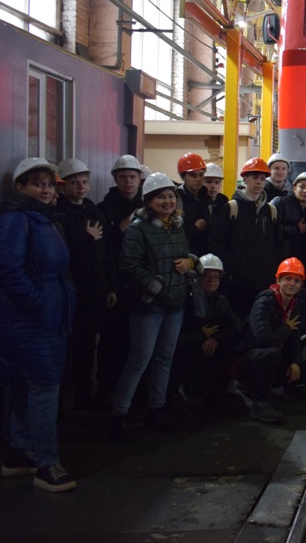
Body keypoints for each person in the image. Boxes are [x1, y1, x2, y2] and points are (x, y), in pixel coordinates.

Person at [0, 157, 78, 492]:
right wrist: (39, 305)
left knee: (29, 387)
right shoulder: (14, 220)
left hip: (47, 317)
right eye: (37, 183)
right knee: (45, 389)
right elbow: (9, 271)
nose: (45, 190)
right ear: (20, 187)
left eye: (49, 184)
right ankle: (46, 464)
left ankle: (18, 453)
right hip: (28, 321)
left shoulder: (42, 220)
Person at [110, 172, 203, 442]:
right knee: (139, 360)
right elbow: (129, 266)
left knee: (164, 359)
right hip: (148, 308)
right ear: (149, 200)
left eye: (171, 196)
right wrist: (156, 287)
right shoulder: (139, 227)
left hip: (174, 305)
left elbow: (184, 256)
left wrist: (190, 263)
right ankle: (118, 415)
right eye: (161, 196)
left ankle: (156, 410)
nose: (167, 200)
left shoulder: (176, 224)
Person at [55, 157, 112, 413]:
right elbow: (68, 254)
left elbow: (106, 253)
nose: (80, 186)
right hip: (70, 291)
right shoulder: (58, 215)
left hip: (94, 291)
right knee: (70, 349)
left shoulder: (95, 212)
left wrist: (110, 287)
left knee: (89, 346)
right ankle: (68, 402)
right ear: (63, 185)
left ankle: (84, 398)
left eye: (84, 182)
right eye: (74, 182)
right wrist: (87, 240)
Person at [234, 258, 306, 424]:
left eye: (297, 280)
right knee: (271, 353)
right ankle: (259, 402)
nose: (292, 284)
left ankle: (285, 387)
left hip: (269, 353)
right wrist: (287, 328)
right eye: (287, 279)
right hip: (246, 358)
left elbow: (295, 340)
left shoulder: (293, 305)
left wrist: (296, 363)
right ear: (278, 280)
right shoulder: (264, 302)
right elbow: (263, 339)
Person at [95, 154, 145, 407]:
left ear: (140, 179)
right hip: (117, 285)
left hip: (142, 286)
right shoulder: (104, 209)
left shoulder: (150, 205)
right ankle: (106, 391)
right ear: (115, 179)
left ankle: (134, 395)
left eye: (133, 176)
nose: (128, 181)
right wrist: (110, 286)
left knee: (138, 344)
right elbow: (104, 253)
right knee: (112, 342)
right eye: (123, 176)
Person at [208, 157, 284, 320]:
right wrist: (234, 269)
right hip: (237, 286)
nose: (259, 182)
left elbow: (279, 245)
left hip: (263, 285)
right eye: (254, 178)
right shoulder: (231, 208)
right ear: (245, 179)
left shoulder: (271, 211)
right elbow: (216, 243)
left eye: (262, 179)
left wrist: (271, 271)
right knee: (236, 327)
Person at [172, 253, 241, 404]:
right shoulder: (185, 301)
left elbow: (236, 325)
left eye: (216, 277)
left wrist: (216, 338)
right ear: (197, 277)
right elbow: (174, 340)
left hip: (207, 351)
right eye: (207, 275)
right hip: (187, 353)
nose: (212, 280)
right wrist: (201, 335)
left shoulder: (220, 301)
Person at [274, 171, 306, 261]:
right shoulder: (280, 202)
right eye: (302, 187)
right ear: (294, 188)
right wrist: (296, 229)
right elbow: (270, 229)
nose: (305, 191)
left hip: (298, 265)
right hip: (277, 261)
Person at [175, 152, 211, 255]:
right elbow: (172, 234)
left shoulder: (208, 198)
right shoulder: (176, 199)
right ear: (183, 177)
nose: (198, 179)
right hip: (183, 255)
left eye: (201, 175)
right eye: (192, 175)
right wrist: (195, 228)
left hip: (205, 254)